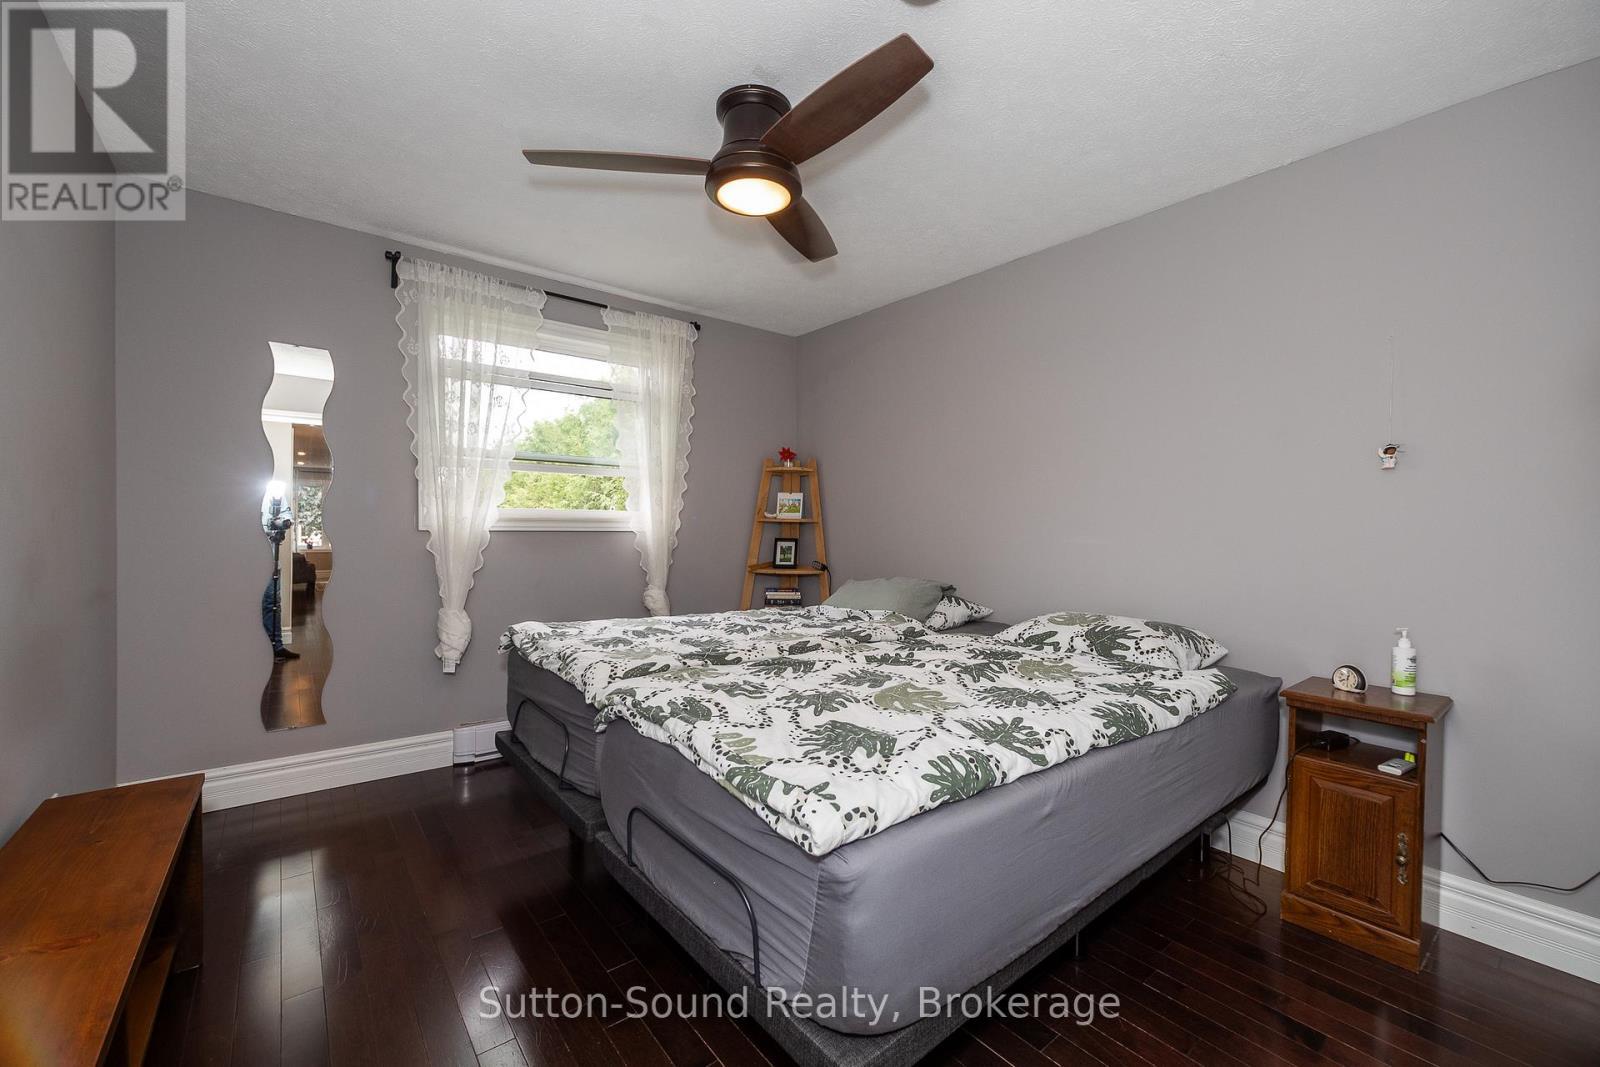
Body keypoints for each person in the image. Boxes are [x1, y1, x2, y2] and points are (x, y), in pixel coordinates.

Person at [262, 484, 300, 661]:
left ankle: (276, 647)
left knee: (273, 601)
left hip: (270, 554)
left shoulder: (273, 490)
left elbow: (286, 515)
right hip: (246, 557)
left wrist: (282, 522)